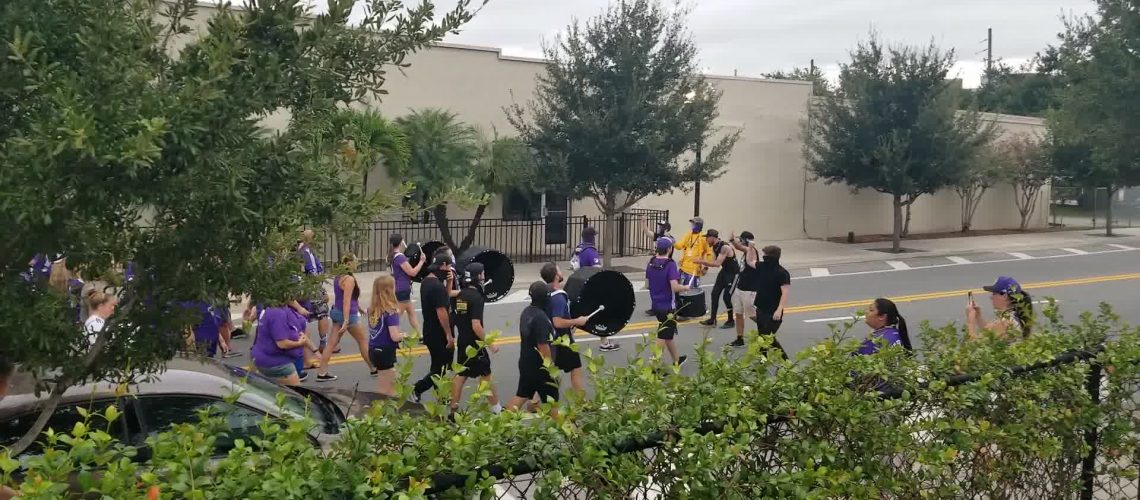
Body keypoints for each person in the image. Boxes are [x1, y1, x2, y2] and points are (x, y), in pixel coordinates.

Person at [449, 262, 502, 414]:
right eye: (482, 273)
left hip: (463, 340)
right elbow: (476, 325)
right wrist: (490, 344)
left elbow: (452, 299)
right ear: (478, 276)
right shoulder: (477, 298)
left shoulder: (461, 295)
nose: (484, 276)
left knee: (461, 375)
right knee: (486, 375)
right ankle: (496, 410)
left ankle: (453, 411)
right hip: (474, 343)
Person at [316, 254, 375, 382]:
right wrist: (347, 321)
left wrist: (359, 308)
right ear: (349, 263)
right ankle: (373, 367)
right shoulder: (349, 279)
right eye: (355, 261)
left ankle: (322, 372)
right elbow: (346, 301)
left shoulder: (339, 277)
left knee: (331, 344)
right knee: (363, 341)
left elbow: (348, 298)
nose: (357, 264)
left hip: (337, 312)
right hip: (347, 316)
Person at [507, 281, 559, 415]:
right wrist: (550, 366)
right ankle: (569, 432)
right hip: (540, 367)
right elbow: (542, 345)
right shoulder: (541, 318)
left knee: (521, 395)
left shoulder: (527, 312)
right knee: (552, 402)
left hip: (526, 362)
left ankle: (502, 423)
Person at [411, 253, 456, 403]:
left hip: (429, 330)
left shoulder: (428, 282)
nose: (450, 269)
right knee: (440, 368)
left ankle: (441, 396)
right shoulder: (436, 286)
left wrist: (449, 283)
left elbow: (445, 299)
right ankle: (417, 388)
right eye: (449, 266)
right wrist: (448, 335)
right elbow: (442, 311)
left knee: (439, 365)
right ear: (443, 265)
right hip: (438, 332)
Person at [540, 262, 590, 395]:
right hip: (562, 340)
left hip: (548, 338)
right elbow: (557, 321)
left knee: (546, 371)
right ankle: (581, 402)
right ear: (556, 276)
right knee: (576, 368)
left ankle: (534, 402)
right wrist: (577, 321)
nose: (561, 273)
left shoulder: (545, 292)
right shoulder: (558, 297)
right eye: (559, 271)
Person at [647, 237, 691, 367]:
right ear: (669, 249)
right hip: (668, 306)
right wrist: (686, 287)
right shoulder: (670, 264)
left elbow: (647, 283)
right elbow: (675, 287)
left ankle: (676, 360)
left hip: (655, 303)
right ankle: (655, 365)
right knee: (663, 334)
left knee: (668, 334)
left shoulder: (651, 262)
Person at [251, 304, 310, 386]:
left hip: (263, 359)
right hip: (278, 363)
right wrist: (299, 343)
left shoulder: (272, 310)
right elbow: (282, 344)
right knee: (295, 396)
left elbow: (299, 326)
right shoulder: (277, 313)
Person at [366, 274, 406, 397]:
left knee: (390, 381)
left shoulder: (372, 309)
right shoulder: (390, 312)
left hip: (373, 349)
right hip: (385, 351)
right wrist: (404, 335)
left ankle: (385, 410)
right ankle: (382, 412)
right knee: (389, 388)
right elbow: (394, 336)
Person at [297, 230, 333, 356]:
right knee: (322, 312)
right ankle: (323, 343)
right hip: (311, 287)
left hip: (299, 287)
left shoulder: (298, 250)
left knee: (302, 315)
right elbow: (313, 273)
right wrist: (320, 290)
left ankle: (302, 348)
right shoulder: (307, 252)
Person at [967, 276, 1033, 341]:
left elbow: (974, 345)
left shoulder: (1005, 322)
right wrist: (978, 316)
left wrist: (970, 320)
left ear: (1004, 296)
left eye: (994, 293)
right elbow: (988, 330)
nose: (991, 297)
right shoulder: (1010, 315)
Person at [753, 245, 790, 359]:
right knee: (761, 336)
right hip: (761, 307)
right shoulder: (763, 267)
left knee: (768, 337)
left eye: (765, 255)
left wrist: (779, 310)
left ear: (771, 257)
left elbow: (785, 293)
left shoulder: (782, 273)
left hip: (773, 311)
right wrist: (749, 247)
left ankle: (785, 361)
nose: (763, 257)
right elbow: (750, 261)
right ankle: (762, 361)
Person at [696, 229, 737, 329]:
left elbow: (717, 264)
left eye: (707, 238)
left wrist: (701, 261)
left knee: (726, 298)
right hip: (724, 272)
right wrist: (705, 267)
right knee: (714, 294)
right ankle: (712, 320)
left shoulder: (724, 247)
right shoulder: (714, 246)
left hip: (733, 274)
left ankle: (731, 320)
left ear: (712, 237)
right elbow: (713, 260)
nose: (706, 240)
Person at [727, 231, 759, 347]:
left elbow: (740, 247)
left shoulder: (752, 251)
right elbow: (738, 246)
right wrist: (732, 240)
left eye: (742, 239)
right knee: (739, 313)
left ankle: (767, 329)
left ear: (747, 240)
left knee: (751, 315)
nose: (740, 241)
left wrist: (734, 242)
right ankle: (739, 338)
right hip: (740, 288)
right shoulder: (746, 251)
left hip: (749, 289)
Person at [389, 233, 424, 334]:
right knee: (398, 314)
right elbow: (412, 272)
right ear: (400, 243)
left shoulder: (393, 256)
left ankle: (419, 334)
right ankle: (394, 334)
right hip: (403, 288)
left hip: (400, 287)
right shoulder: (400, 257)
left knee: (411, 312)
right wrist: (421, 261)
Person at [643, 220, 675, 317]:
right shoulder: (659, 236)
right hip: (657, 262)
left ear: (666, 228)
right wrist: (644, 222)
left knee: (665, 287)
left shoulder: (669, 238)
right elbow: (648, 232)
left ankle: (670, 307)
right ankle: (655, 308)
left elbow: (671, 246)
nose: (659, 228)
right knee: (654, 286)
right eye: (659, 226)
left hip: (665, 265)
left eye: (661, 226)